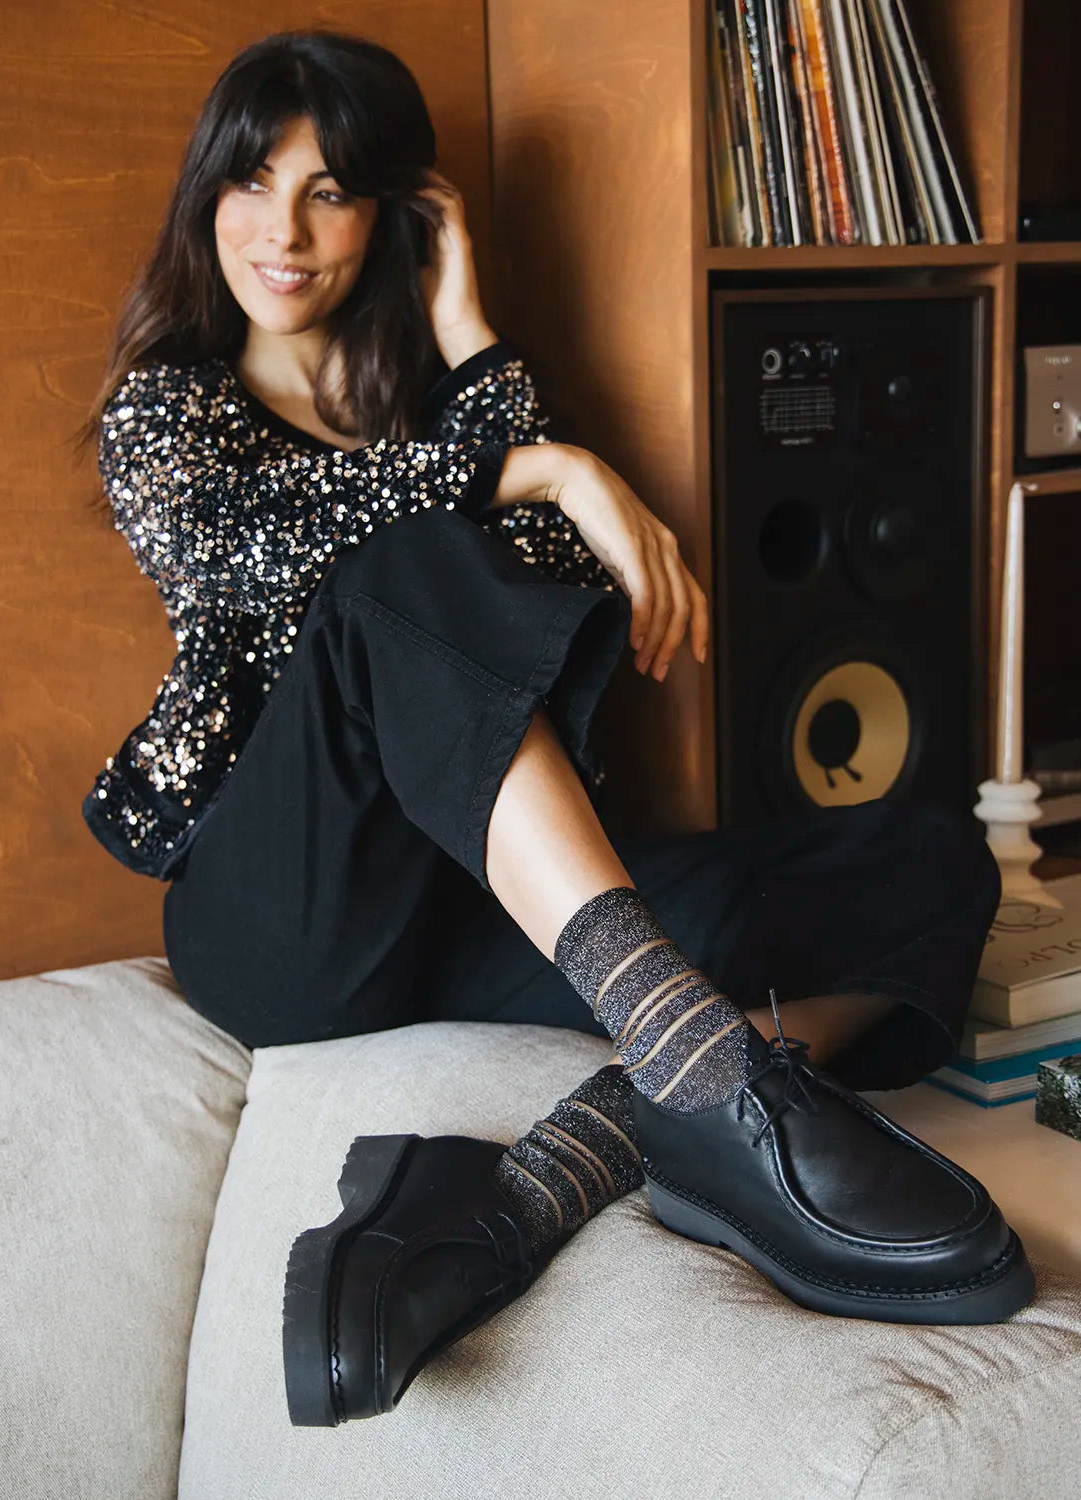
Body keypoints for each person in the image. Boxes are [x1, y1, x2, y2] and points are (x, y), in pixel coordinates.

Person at [79, 29, 1034, 1428]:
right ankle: (712, 1085)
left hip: (463, 903)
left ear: (394, 212)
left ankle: (552, 1180)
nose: (282, 229)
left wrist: (470, 333)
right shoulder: (167, 415)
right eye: (252, 182)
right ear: (202, 197)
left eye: (334, 190)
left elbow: (553, 586)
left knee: (929, 864)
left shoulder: (418, 415)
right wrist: (547, 461)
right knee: (398, 564)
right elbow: (262, 554)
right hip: (279, 922)